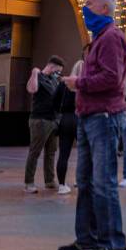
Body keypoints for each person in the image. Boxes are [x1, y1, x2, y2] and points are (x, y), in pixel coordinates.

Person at [58, 0, 126, 250]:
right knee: (85, 182)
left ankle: (114, 244)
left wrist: (79, 83)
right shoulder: (99, 38)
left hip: (104, 117)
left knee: (103, 182)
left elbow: (111, 78)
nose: (84, 8)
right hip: (89, 116)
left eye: (88, 4)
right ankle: (87, 239)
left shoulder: (111, 37)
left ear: (103, 9)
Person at [25, 55, 64, 193]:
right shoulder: (38, 76)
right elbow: (32, 89)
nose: (58, 73)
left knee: (51, 152)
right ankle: (29, 182)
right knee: (35, 152)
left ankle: (49, 180)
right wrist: (34, 73)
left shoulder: (54, 80)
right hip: (40, 120)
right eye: (57, 70)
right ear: (51, 66)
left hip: (53, 121)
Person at [54, 59, 81, 195]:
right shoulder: (85, 84)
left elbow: (55, 102)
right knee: (84, 153)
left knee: (63, 154)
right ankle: (79, 180)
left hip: (65, 119)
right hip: (81, 119)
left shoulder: (64, 84)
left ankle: (62, 185)